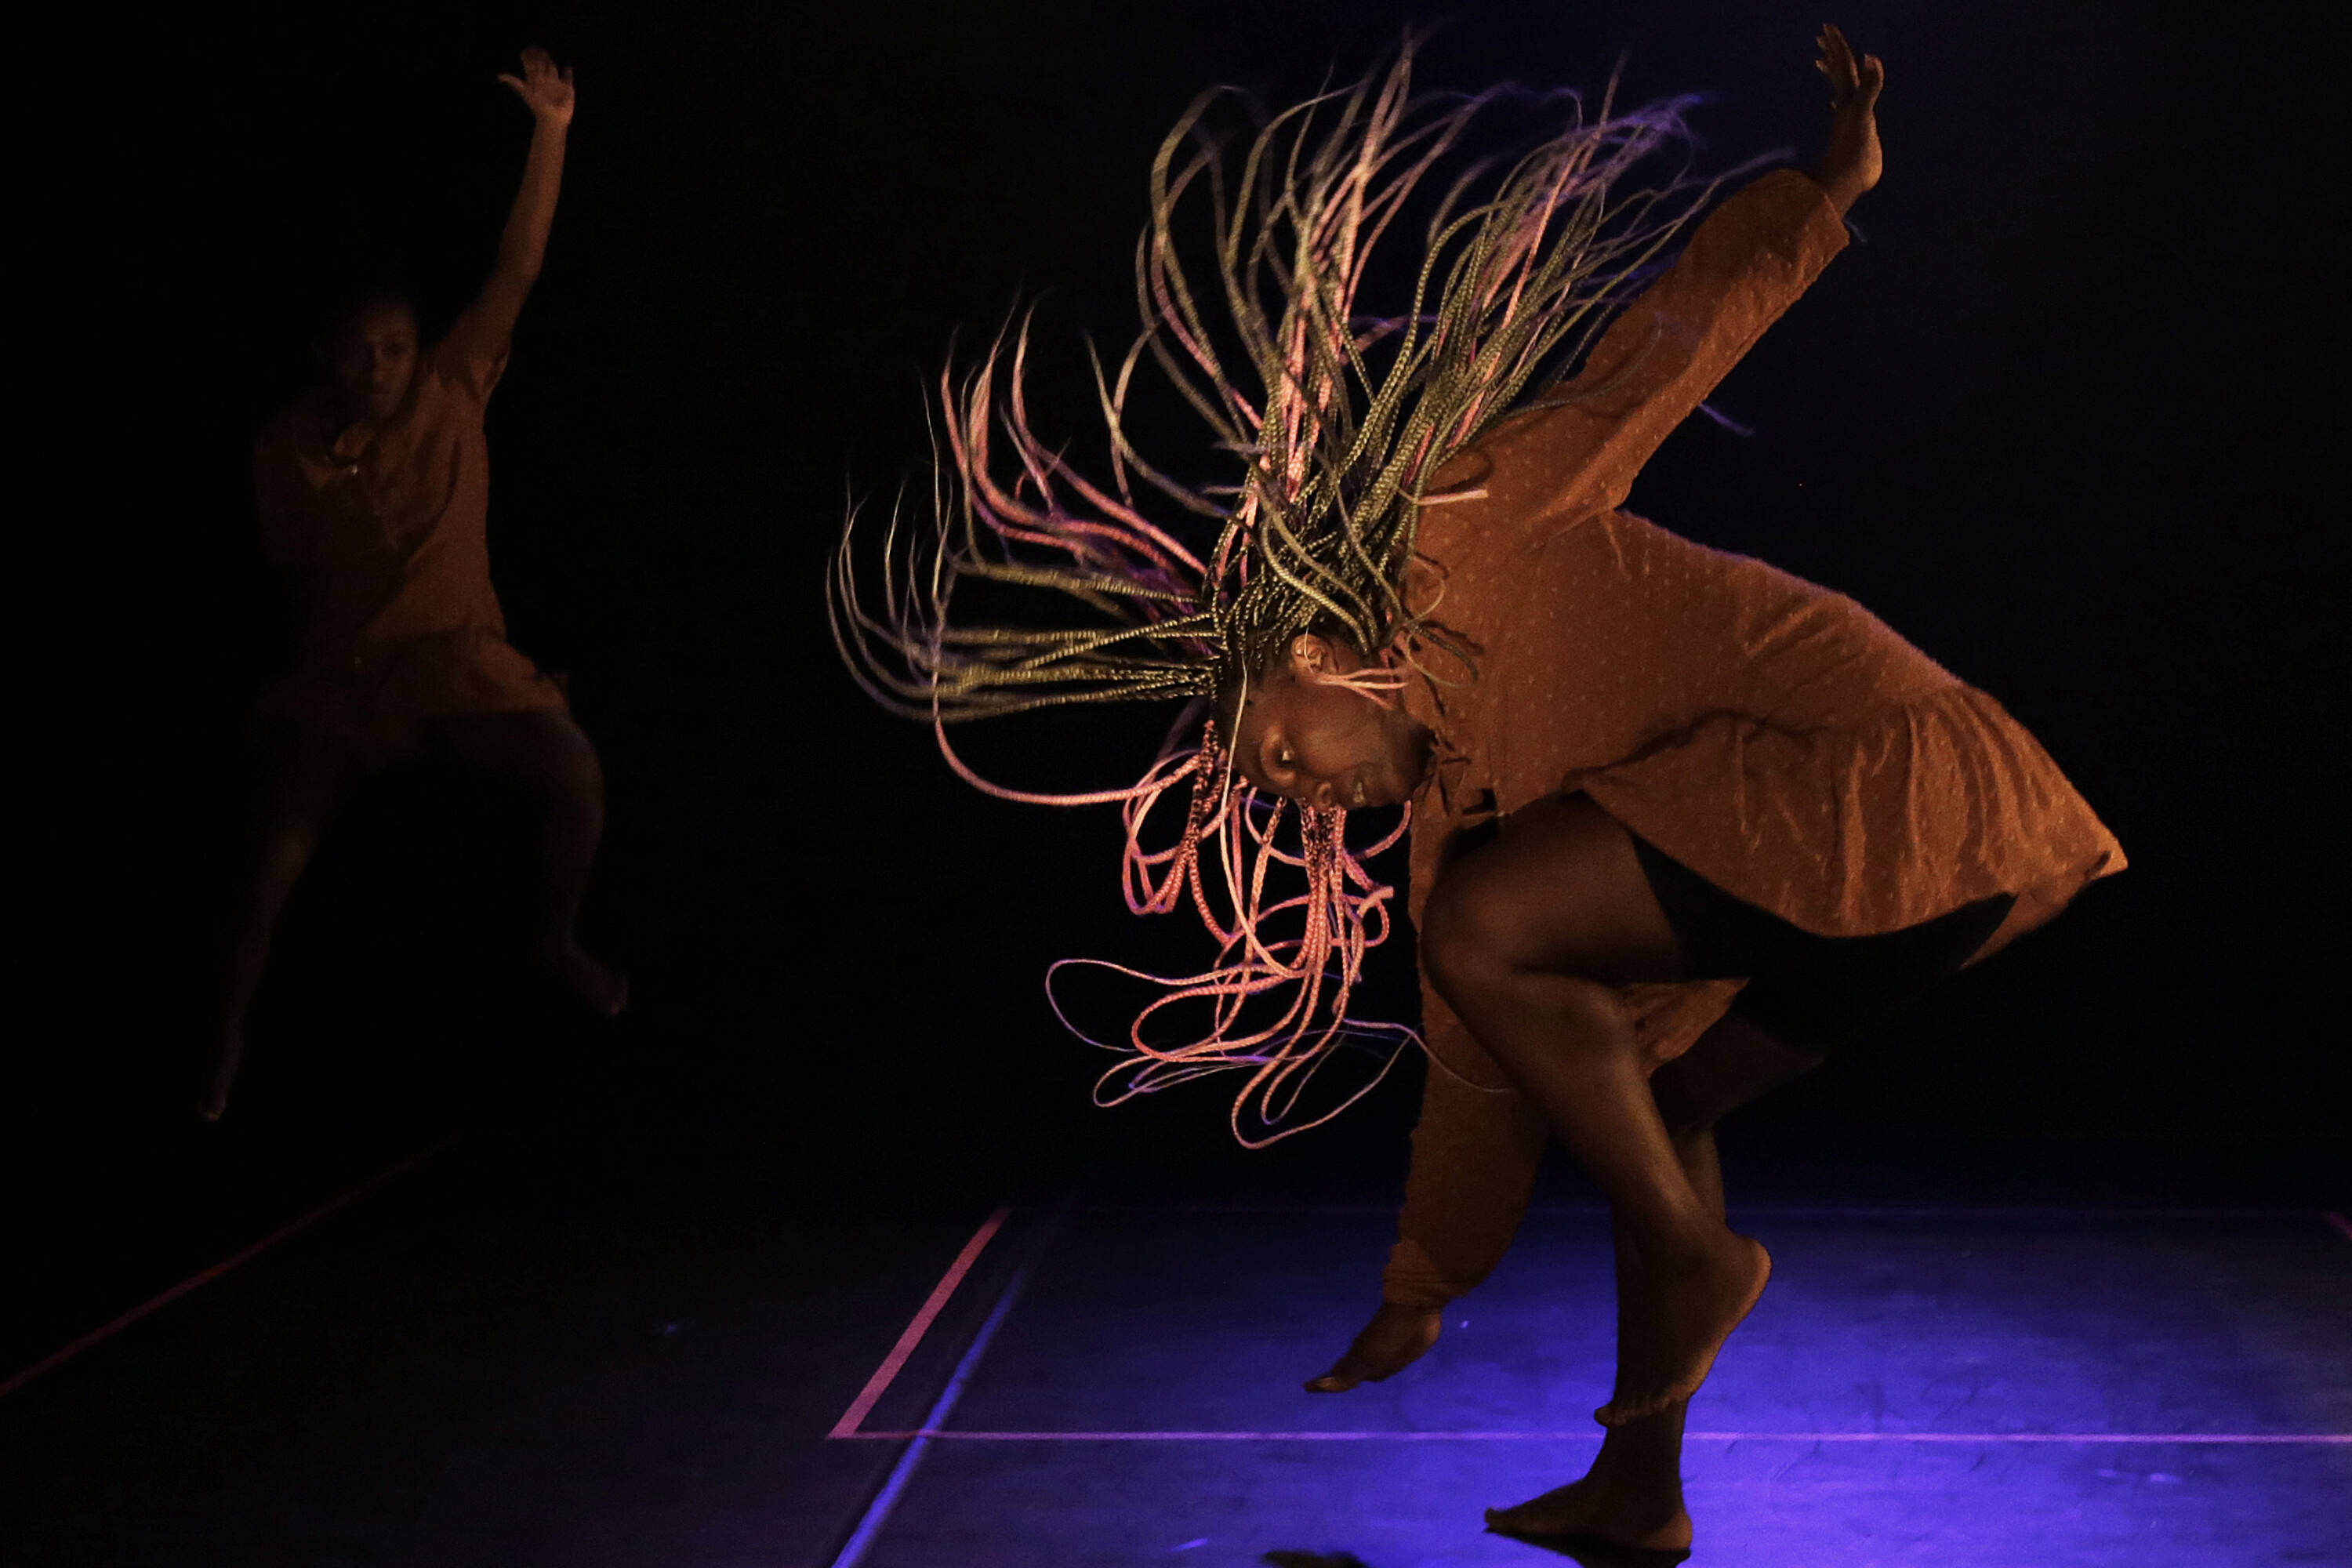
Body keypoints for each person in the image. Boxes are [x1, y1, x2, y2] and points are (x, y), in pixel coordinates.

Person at [833, 27, 2120, 1555]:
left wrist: (1825, 186)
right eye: (1276, 792)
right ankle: (1642, 1486)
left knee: (1501, 944)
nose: (1296, 791)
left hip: (1897, 781)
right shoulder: (1472, 820)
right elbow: (1480, 1061)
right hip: (1909, 878)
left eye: (1276, 748)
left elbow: (1667, 344)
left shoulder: (1471, 519)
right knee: (1645, 1093)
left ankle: (1696, 1266)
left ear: (1318, 647)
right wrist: (1419, 1288)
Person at [203, 48, 625, 1123]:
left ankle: (554, 940)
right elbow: (297, 581)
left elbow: (516, 270)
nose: (383, 369)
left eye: (395, 349)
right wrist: (296, 702)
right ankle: (219, 1050)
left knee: (573, 774)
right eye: (362, 354)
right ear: (325, 358)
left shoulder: (450, 387)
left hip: (458, 665)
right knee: (264, 873)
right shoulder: (282, 448)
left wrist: (552, 131)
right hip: (345, 684)